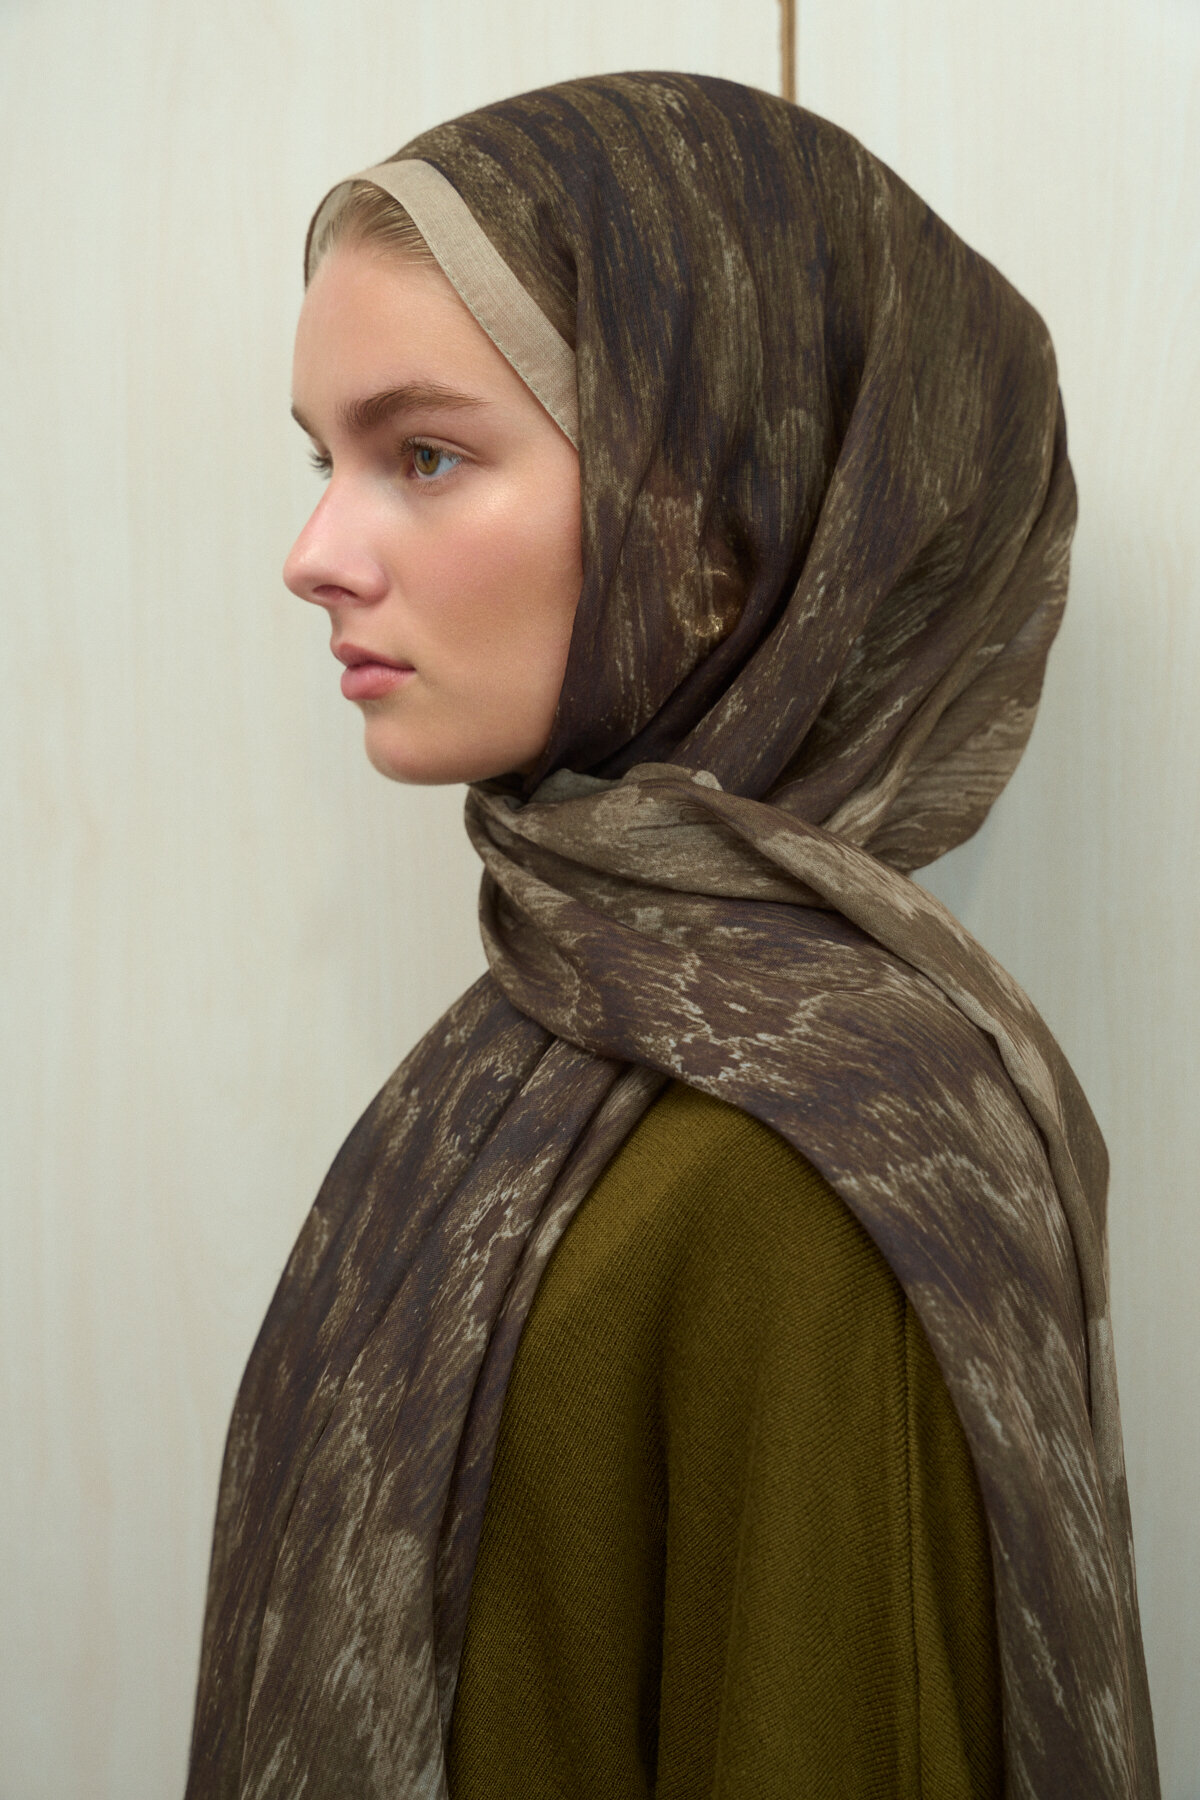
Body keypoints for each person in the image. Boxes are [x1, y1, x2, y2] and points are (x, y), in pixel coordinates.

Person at [184, 73, 1159, 1800]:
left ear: (725, 515)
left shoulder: (802, 1159)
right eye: (327, 460)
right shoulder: (553, 1025)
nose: (314, 554)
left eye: (425, 456)